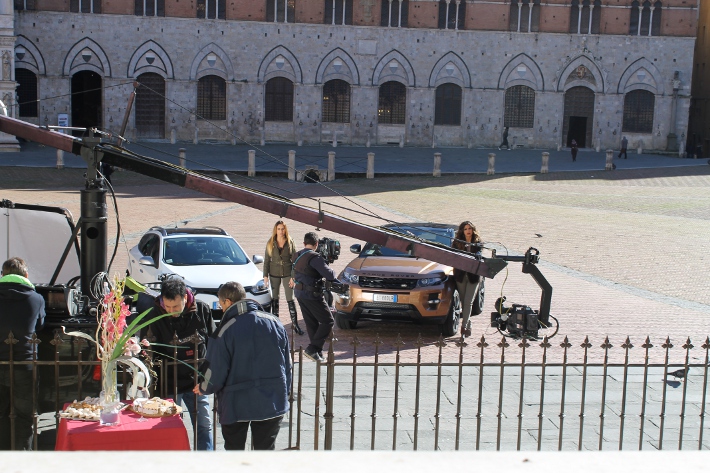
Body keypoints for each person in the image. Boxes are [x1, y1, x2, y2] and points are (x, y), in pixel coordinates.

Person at [194, 281, 291, 450]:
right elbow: (287, 364)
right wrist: (285, 390)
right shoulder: (275, 323)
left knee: (235, 452)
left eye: (221, 303)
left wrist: (204, 387)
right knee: (265, 452)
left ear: (227, 302)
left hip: (235, 403)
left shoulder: (225, 329)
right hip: (272, 398)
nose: (222, 309)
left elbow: (215, 368)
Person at [145, 277, 216, 450]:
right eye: (167, 307)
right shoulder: (155, 314)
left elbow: (214, 345)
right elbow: (148, 350)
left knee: (204, 424)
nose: (171, 311)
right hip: (169, 381)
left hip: (197, 380)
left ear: (185, 298)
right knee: (171, 427)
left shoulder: (202, 310)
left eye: (175, 307)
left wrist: (206, 378)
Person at [0, 257, 45, 450]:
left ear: (3, 275)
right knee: (24, 416)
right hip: (24, 362)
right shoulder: (36, 299)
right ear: (26, 275)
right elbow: (41, 325)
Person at [291, 232, 337, 362]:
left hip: (300, 293)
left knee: (311, 323)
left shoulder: (297, 255)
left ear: (304, 243)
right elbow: (330, 276)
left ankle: (317, 352)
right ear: (316, 244)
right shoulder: (315, 257)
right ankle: (312, 349)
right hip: (312, 294)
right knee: (328, 321)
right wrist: (328, 265)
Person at [263, 220, 304, 335]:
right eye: (279, 229)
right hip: (274, 273)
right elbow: (266, 261)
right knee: (275, 300)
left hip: (287, 273)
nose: (281, 231)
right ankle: (276, 326)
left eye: (282, 229)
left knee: (290, 298)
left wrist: (293, 277)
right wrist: (265, 276)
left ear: (285, 229)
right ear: (275, 230)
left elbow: (295, 261)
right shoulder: (270, 242)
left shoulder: (290, 242)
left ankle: (295, 325)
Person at [451, 222, 483, 338]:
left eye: (470, 228)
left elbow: (480, 252)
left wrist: (478, 254)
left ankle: (463, 327)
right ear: (462, 231)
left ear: (473, 230)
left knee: (468, 302)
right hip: (460, 275)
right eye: (465, 229)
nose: (468, 231)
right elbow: (452, 255)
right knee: (463, 301)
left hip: (473, 276)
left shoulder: (477, 242)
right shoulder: (457, 242)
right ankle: (468, 324)